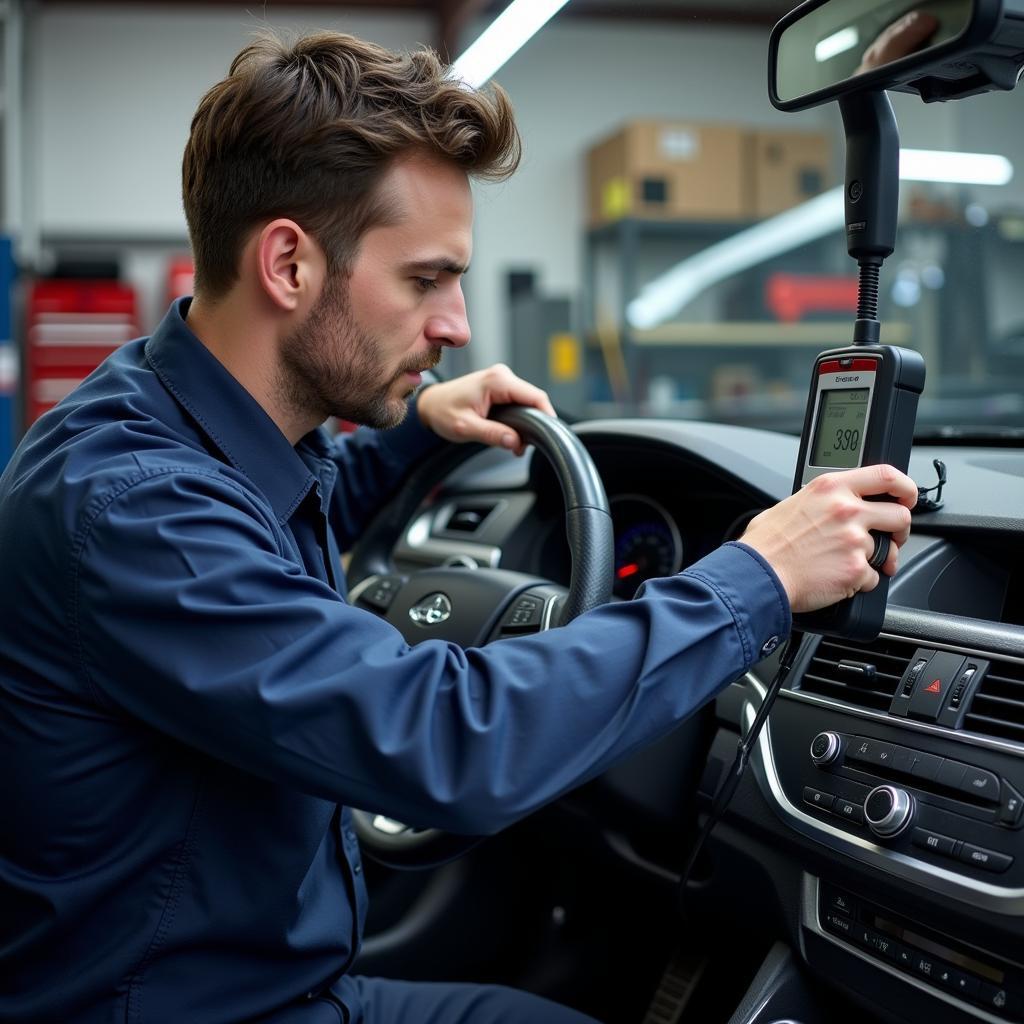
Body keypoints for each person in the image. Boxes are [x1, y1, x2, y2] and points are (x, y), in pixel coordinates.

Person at [0, 31, 917, 1024]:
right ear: (288, 265)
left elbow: (264, 526)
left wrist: (408, 435)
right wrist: (757, 576)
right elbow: (453, 740)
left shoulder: (158, 426)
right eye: (425, 280)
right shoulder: (135, 505)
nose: (457, 326)